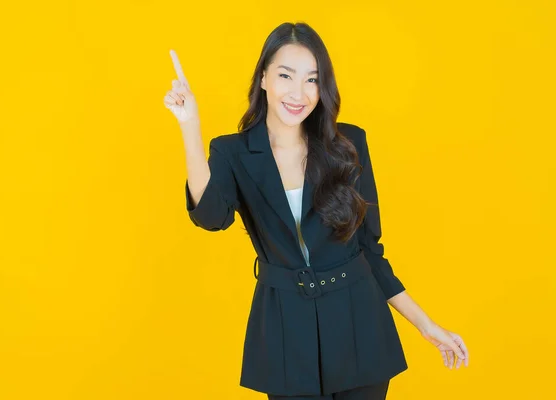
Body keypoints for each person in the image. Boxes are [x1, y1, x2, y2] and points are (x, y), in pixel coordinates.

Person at [164, 21, 469, 400]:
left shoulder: (349, 144)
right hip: (286, 334)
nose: (299, 93)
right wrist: (190, 127)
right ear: (263, 78)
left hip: (360, 328)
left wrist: (427, 326)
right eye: (286, 76)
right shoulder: (233, 152)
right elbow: (211, 217)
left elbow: (369, 253)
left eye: (312, 79)